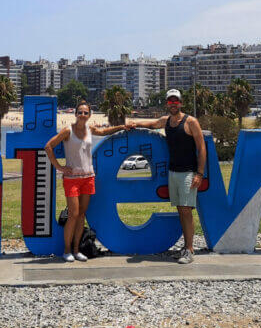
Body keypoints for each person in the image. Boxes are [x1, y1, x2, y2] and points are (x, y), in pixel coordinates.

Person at [127, 88, 206, 264]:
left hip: (188, 173)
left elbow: (201, 148)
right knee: (180, 209)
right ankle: (186, 247)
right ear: (167, 104)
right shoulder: (167, 121)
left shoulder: (191, 122)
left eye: (176, 101)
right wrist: (135, 124)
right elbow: (152, 124)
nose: (173, 104)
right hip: (173, 172)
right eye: (170, 101)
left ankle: (190, 250)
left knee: (186, 210)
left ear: (181, 103)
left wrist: (199, 174)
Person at [44, 100, 127, 262]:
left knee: (82, 215)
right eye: (80, 112)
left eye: (86, 112)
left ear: (90, 115)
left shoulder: (90, 130)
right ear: (75, 114)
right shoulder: (68, 131)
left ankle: (77, 250)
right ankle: (66, 250)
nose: (82, 115)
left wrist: (122, 127)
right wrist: (60, 167)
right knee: (73, 214)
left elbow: (104, 132)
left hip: (88, 177)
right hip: (72, 179)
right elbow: (49, 146)